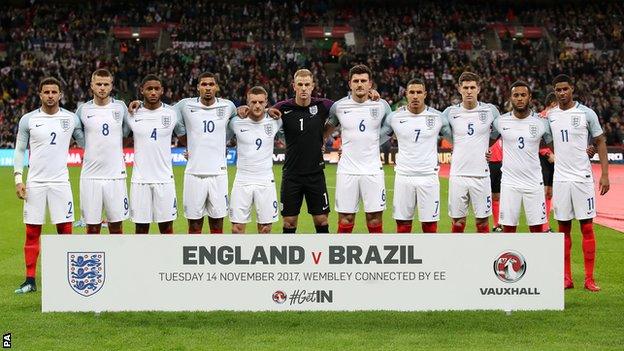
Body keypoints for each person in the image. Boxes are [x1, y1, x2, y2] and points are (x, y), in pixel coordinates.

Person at [13, 77, 85, 293]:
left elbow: (85, 144)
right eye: (47, 92)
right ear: (40, 94)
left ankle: (68, 277)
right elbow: (19, 150)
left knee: (65, 230)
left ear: (60, 94)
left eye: (54, 92)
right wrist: (19, 179)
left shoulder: (71, 119)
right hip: (35, 182)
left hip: (61, 182)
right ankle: (30, 280)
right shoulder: (28, 120)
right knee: (32, 231)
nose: (50, 95)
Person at [547, 74, 610, 292]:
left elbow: (600, 141)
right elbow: (542, 138)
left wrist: (604, 174)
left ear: (572, 89)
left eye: (565, 89)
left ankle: (589, 279)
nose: (562, 93)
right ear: (554, 92)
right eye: (558, 90)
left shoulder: (586, 113)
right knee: (563, 228)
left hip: (582, 178)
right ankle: (567, 278)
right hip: (561, 179)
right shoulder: (550, 116)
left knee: (587, 227)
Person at [325, 64, 392, 233]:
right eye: (356, 81)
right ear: (350, 84)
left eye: (363, 81)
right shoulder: (339, 106)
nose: (360, 84)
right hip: (347, 171)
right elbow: (327, 130)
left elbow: (390, 128)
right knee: (345, 218)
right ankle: (343, 258)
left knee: (375, 220)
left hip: (373, 171)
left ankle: (376, 258)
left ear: (370, 84)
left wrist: (373, 141)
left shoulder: (381, 105)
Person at [380, 78, 451, 233]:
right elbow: (376, 140)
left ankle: (429, 257)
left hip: (429, 177)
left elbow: (457, 141)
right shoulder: (394, 117)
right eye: (411, 92)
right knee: (403, 225)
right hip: (404, 176)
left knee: (430, 226)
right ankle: (407, 257)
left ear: (425, 94)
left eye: (419, 92)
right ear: (406, 94)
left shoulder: (437, 117)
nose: (415, 96)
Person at [271, 69, 333, 234]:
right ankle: (290, 259)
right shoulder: (282, 107)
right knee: (289, 222)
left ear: (313, 86)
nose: (304, 88)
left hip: (315, 173)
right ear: (294, 86)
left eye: (307, 84)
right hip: (292, 174)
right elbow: (263, 113)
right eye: (300, 84)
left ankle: (323, 258)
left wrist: (325, 135)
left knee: (322, 220)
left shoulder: (324, 105)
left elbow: (346, 110)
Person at [174, 72, 237, 234]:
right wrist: (185, 140)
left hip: (218, 174)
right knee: (194, 225)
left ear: (216, 87)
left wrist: (224, 140)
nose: (207, 88)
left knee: (217, 224)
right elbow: (164, 112)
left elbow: (237, 121)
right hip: (194, 174)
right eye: (204, 84)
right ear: (197, 88)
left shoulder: (228, 106)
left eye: (211, 84)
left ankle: (215, 258)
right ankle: (194, 259)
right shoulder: (185, 105)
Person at [441, 72, 500, 233]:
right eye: (465, 87)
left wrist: (487, 145)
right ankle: (457, 256)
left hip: (481, 175)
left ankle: (483, 256)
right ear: (459, 89)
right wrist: (458, 143)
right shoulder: (449, 112)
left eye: (472, 87)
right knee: (458, 222)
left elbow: (499, 131)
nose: (469, 91)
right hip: (458, 175)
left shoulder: (490, 111)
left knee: (482, 222)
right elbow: (439, 129)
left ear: (478, 89)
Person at [127, 74, 184, 234]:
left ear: (162, 91)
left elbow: (186, 136)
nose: (153, 92)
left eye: (156, 89)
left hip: (165, 179)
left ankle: (167, 259)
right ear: (142, 91)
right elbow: (121, 139)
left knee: (166, 228)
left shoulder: (172, 113)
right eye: (149, 89)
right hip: (140, 180)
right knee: (140, 228)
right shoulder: (132, 113)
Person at [492, 81, 552, 233]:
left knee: (537, 229)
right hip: (509, 183)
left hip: (533, 182)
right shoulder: (500, 121)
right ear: (510, 98)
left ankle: (536, 257)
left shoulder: (541, 123)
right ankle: (511, 257)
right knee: (509, 229)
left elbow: (556, 146)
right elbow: (486, 141)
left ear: (529, 97)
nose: (519, 98)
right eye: (516, 95)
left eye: (523, 95)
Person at [75, 69, 129, 234]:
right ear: (92, 85)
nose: (102, 88)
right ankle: (94, 259)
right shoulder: (83, 110)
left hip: (115, 175)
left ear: (111, 86)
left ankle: (118, 259)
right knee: (92, 226)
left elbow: (127, 131)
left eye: (106, 84)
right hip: (90, 176)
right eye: (98, 84)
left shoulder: (120, 107)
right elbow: (77, 133)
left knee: (116, 225)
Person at [229, 86, 282, 234]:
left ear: (266, 103)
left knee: (265, 229)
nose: (257, 105)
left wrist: (268, 111)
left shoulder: (275, 121)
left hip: (265, 180)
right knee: (237, 229)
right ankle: (240, 256)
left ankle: (262, 257)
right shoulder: (235, 122)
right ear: (247, 103)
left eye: (260, 102)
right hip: (242, 179)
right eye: (253, 102)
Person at [539, 92, 558, 231]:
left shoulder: (556, 118)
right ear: (552, 103)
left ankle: (547, 225)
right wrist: (548, 153)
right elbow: (537, 140)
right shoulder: (541, 117)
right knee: (543, 191)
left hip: (554, 158)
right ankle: (542, 226)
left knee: (550, 192)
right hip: (543, 159)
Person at [489, 139, 503, 232]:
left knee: (496, 196)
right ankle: (481, 223)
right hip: (487, 164)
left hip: (500, 164)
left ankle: (497, 224)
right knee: (482, 196)